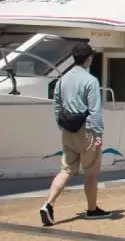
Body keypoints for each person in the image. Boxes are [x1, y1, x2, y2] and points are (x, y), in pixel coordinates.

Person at [40, 42, 112, 225]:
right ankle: (92, 209)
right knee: (90, 172)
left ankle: (48, 204)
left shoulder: (63, 79)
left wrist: (61, 124)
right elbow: (95, 111)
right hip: (86, 131)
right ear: (88, 58)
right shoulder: (91, 81)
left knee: (67, 169)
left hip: (67, 130)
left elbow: (57, 105)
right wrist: (98, 134)